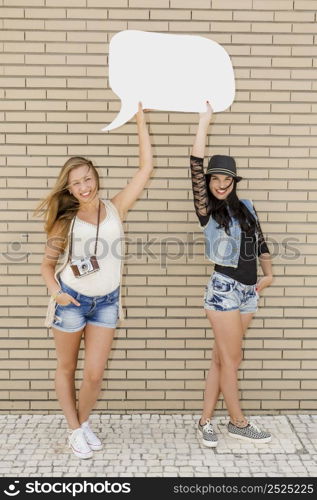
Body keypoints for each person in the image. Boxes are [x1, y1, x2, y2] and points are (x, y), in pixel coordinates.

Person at [35, 103, 152, 459]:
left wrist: (140, 120)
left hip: (106, 302)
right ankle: (75, 430)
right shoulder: (65, 220)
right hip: (71, 301)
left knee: (95, 374)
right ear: (68, 189)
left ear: (96, 178)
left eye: (87, 179)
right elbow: (46, 266)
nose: (84, 186)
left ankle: (81, 424)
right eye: (76, 183)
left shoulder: (116, 207)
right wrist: (58, 293)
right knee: (67, 368)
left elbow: (146, 168)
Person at [190, 102, 273, 447]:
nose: (220, 184)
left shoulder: (247, 206)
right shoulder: (208, 210)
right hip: (224, 290)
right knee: (233, 358)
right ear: (208, 182)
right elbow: (193, 167)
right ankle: (238, 422)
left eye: (226, 179)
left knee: (221, 358)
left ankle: (206, 421)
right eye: (215, 179)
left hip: (248, 292)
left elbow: (260, 241)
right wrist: (203, 123)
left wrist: (269, 275)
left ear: (233, 182)